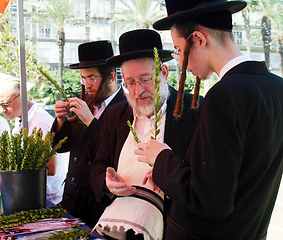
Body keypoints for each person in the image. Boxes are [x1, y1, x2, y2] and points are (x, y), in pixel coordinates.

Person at [135, 1, 283, 239]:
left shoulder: (224, 95)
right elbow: (233, 178)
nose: (180, 62)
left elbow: (210, 200)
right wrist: (169, 176)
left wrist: (160, 157)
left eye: (178, 50)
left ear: (199, 39)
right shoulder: (277, 87)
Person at [90, 29, 203, 240]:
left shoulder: (195, 111)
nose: (138, 91)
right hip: (118, 229)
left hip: (171, 230)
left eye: (146, 79)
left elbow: (205, 178)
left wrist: (169, 175)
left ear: (164, 73)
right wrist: (107, 182)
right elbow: (98, 165)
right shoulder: (115, 115)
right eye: (130, 82)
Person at [51, 40, 126, 228]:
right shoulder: (84, 103)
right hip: (72, 199)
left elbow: (115, 153)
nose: (87, 85)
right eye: (84, 78)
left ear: (111, 77)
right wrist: (60, 120)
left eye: (92, 78)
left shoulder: (126, 107)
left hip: (100, 206)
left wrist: (90, 122)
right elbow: (61, 147)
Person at [0, 79, 65, 204]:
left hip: (46, 198)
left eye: (5, 104)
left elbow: (50, 167)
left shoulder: (40, 122)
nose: (1, 110)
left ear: (21, 95)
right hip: (29, 191)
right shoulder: (21, 119)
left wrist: (11, 162)